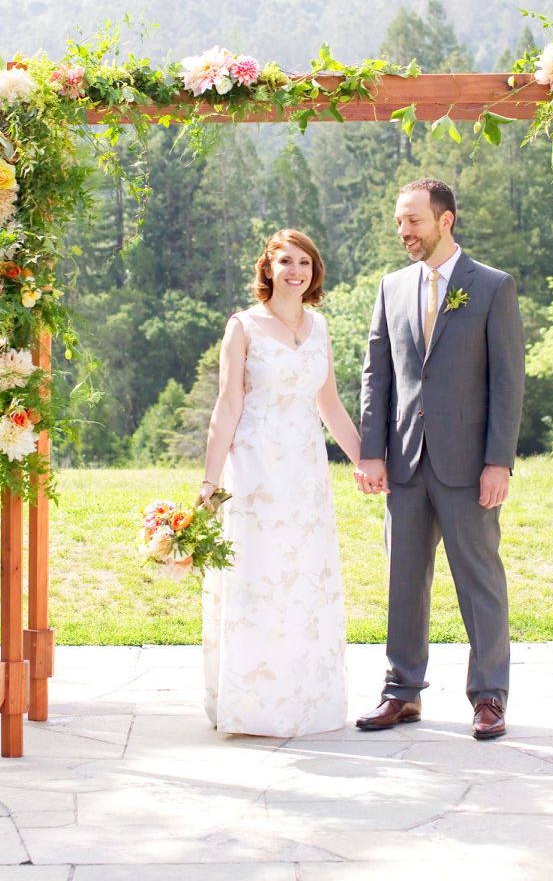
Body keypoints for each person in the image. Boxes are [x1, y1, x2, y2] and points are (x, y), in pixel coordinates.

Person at [355, 178, 524, 739]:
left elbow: (508, 382)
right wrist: (371, 452)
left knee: (479, 580)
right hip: (403, 462)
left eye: (414, 221)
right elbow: (377, 374)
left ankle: (489, 697)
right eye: (400, 221)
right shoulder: (392, 286)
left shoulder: (492, 287)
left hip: (469, 464)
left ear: (446, 220)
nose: (404, 231)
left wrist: (498, 460)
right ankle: (401, 692)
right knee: (404, 580)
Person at [201, 228, 360, 736]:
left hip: (305, 471)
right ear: (267, 268)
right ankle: (252, 704)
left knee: (304, 578)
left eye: (305, 263)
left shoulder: (320, 327)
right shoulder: (242, 326)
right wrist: (209, 480)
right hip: (253, 468)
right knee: (257, 574)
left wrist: (366, 461)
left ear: (314, 272)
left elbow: (329, 404)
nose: (295, 270)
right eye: (285, 261)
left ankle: (305, 699)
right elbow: (228, 404)